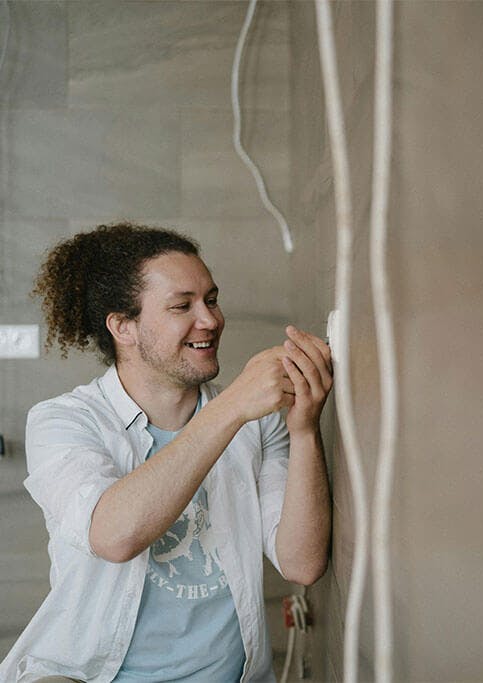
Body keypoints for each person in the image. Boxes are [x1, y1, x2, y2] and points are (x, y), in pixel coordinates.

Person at [0, 223, 332, 683]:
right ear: (123, 326)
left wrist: (304, 430)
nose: (211, 320)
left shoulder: (259, 421)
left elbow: (302, 563)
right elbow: (114, 535)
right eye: (183, 306)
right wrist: (232, 405)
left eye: (211, 299)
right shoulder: (63, 421)